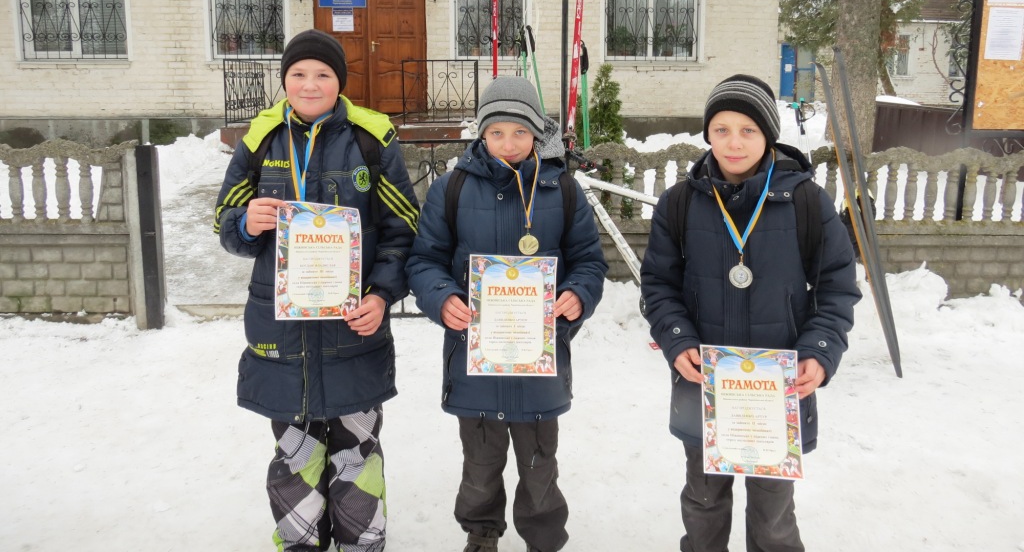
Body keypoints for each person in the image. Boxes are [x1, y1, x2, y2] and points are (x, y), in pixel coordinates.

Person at [214, 29, 420, 552]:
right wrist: (247, 222)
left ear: (340, 82)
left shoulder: (373, 140)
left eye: (323, 74)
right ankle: (302, 541)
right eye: (298, 74)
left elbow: (403, 230)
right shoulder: (259, 141)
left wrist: (380, 296)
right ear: (284, 81)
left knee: (357, 448)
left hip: (354, 330)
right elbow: (225, 224)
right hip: (281, 333)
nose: (310, 84)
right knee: (295, 452)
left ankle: (361, 542)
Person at [640, 74, 861, 552]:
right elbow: (658, 286)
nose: (734, 142)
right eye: (721, 129)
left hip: (775, 390)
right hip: (704, 386)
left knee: (773, 517)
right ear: (707, 134)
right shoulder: (680, 203)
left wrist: (819, 351)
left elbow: (838, 287)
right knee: (702, 505)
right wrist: (677, 340)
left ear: (768, 136)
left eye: (748, 130)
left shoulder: (805, 201)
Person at [405, 76, 607, 552]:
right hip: (474, 361)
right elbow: (424, 260)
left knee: (540, 464)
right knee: (479, 461)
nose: (508, 143)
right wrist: (441, 297)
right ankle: (481, 531)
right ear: (481, 134)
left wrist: (578, 294)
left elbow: (589, 263)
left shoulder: (564, 192)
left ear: (537, 134)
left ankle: (543, 537)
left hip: (540, 361)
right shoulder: (450, 189)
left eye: (520, 133)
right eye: (497, 133)